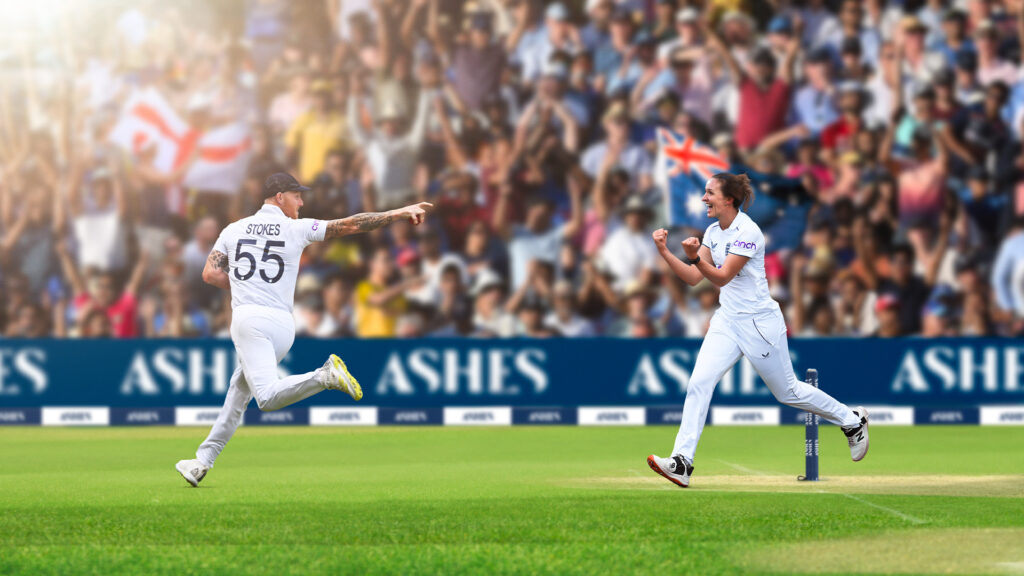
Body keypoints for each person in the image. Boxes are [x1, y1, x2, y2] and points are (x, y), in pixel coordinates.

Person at [175, 172, 432, 487]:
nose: (302, 201)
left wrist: (245, 283)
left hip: (250, 321)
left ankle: (324, 376)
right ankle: (201, 462)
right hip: (283, 324)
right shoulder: (297, 228)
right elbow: (350, 224)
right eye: (297, 195)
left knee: (266, 398)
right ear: (280, 197)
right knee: (238, 392)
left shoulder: (233, 230)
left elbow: (210, 274)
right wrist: (398, 213)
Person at [645, 173, 869, 488]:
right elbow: (696, 279)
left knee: (788, 392)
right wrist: (666, 252)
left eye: (710, 193)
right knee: (698, 383)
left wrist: (695, 257)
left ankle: (851, 420)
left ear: (728, 199)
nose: (704, 198)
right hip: (727, 320)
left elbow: (721, 277)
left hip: (758, 323)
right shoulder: (712, 231)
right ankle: (682, 462)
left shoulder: (749, 232)